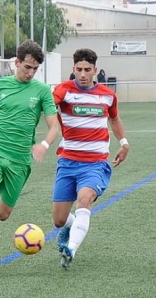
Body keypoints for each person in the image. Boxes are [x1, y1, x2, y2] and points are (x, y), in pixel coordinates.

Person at [0, 39, 60, 274]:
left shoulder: (41, 91)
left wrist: (43, 144)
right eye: (26, 67)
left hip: (20, 159)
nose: (30, 73)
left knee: (3, 214)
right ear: (16, 63)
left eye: (35, 69)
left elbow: (54, 127)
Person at [52, 48, 130, 270]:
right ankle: (70, 227)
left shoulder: (107, 95)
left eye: (87, 70)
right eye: (79, 69)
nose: (83, 74)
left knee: (84, 199)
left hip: (95, 163)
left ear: (95, 70)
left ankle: (71, 249)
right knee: (59, 220)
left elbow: (115, 119)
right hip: (67, 162)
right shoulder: (64, 91)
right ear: (73, 69)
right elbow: (49, 105)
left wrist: (124, 143)